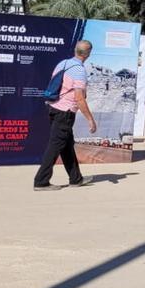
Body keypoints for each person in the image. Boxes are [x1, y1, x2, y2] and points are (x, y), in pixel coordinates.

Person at [34, 40, 97, 191]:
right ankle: (41, 181)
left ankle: (76, 179)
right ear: (88, 54)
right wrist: (90, 120)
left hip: (54, 107)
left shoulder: (63, 63)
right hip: (65, 112)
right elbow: (79, 98)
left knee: (66, 144)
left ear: (76, 50)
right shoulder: (79, 71)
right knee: (55, 146)